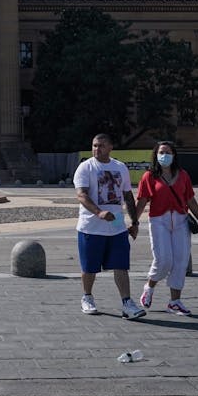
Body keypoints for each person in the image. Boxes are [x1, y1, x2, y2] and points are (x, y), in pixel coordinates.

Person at [73, 133, 146, 319]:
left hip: (117, 227)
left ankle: (127, 303)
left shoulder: (120, 167)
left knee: (121, 266)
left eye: (101, 145)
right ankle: (87, 297)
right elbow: (81, 195)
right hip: (91, 227)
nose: (97, 149)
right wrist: (99, 212)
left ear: (111, 147)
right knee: (90, 268)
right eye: (94, 145)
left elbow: (128, 196)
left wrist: (135, 222)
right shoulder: (85, 167)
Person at [135, 140, 198, 316]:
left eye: (168, 152)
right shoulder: (149, 176)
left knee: (180, 261)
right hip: (158, 220)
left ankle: (174, 302)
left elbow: (190, 199)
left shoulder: (183, 175)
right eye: (161, 152)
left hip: (180, 220)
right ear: (156, 155)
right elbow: (142, 200)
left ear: (174, 155)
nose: (164, 156)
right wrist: (134, 222)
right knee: (163, 260)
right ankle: (149, 286)